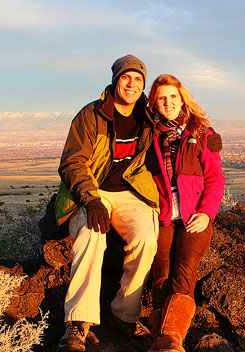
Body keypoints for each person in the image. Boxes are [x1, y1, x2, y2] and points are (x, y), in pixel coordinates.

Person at [54, 55, 161, 352]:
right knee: (90, 236)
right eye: (126, 77)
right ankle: (78, 322)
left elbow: (179, 121)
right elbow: (73, 162)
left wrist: (208, 136)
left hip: (129, 191)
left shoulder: (147, 116)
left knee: (146, 239)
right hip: (92, 190)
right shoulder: (92, 114)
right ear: (115, 80)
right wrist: (91, 200)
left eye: (138, 79)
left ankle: (124, 314)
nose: (132, 83)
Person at [145, 74, 225, 352]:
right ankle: (167, 342)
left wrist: (206, 214)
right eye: (161, 98)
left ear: (183, 100)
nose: (168, 102)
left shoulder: (202, 134)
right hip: (164, 217)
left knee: (184, 273)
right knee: (160, 275)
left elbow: (215, 180)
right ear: (154, 103)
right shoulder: (150, 135)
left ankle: (168, 340)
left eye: (173, 97)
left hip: (195, 218)